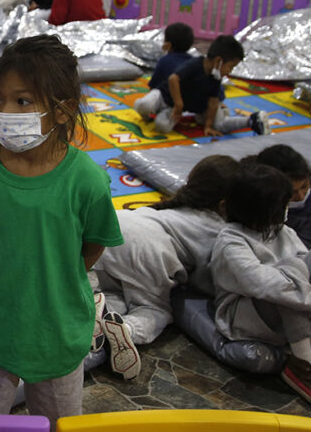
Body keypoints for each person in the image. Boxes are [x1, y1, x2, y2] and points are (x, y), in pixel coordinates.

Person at [0, 35, 123, 422]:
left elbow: (93, 244)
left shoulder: (86, 180)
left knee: (60, 423)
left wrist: (56, 276)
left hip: (56, 330)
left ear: (64, 111)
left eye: (22, 101)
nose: (4, 111)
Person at [209, 163, 311, 415]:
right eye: (283, 203)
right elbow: (269, 286)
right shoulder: (231, 241)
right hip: (246, 317)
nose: (289, 206)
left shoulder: (282, 231)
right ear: (264, 208)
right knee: (289, 272)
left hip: (294, 310)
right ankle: (305, 366)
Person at [92, 155, 239, 380]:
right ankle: (128, 329)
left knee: (115, 290)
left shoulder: (171, 206)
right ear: (224, 204)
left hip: (115, 224)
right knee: (155, 309)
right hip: (149, 249)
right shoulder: (218, 230)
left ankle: (94, 307)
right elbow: (206, 280)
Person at [148, 35, 269, 137]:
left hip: (200, 107)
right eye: (231, 67)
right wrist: (178, 104)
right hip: (178, 103)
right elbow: (173, 79)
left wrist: (208, 126)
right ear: (218, 61)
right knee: (162, 124)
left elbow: (213, 102)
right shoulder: (195, 64)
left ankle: (251, 121)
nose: (230, 71)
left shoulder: (216, 77)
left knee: (219, 125)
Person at [134, 22, 195, 119]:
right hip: (183, 104)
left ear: (168, 44)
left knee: (142, 105)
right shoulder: (193, 61)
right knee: (162, 123)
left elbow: (153, 85)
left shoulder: (165, 60)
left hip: (167, 100)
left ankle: (155, 114)